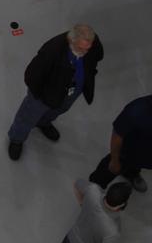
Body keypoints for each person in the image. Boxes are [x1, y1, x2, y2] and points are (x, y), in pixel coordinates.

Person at [8, 23, 103, 161]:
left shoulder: (92, 44)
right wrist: (40, 96)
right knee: (27, 116)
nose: (84, 53)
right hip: (44, 96)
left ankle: (44, 123)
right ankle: (17, 139)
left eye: (87, 49)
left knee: (58, 110)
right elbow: (31, 76)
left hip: (70, 92)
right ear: (71, 40)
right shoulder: (52, 51)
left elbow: (98, 56)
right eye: (80, 49)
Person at [90, 95, 152, 192]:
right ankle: (94, 187)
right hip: (128, 153)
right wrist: (115, 161)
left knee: (135, 166)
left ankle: (131, 174)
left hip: (145, 156)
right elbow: (117, 135)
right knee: (108, 170)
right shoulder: (137, 110)